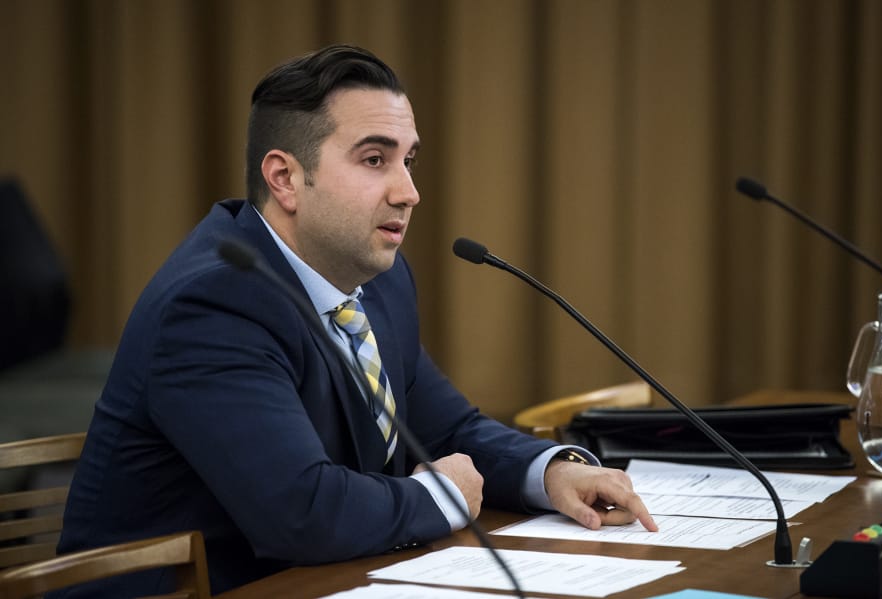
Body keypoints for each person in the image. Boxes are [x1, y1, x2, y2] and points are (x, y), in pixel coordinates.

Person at [52, 44, 657, 597]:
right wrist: (441, 496)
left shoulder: (379, 281)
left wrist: (547, 472)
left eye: (409, 161)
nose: (409, 191)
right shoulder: (214, 304)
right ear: (285, 178)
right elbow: (302, 512)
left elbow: (444, 431)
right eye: (375, 159)